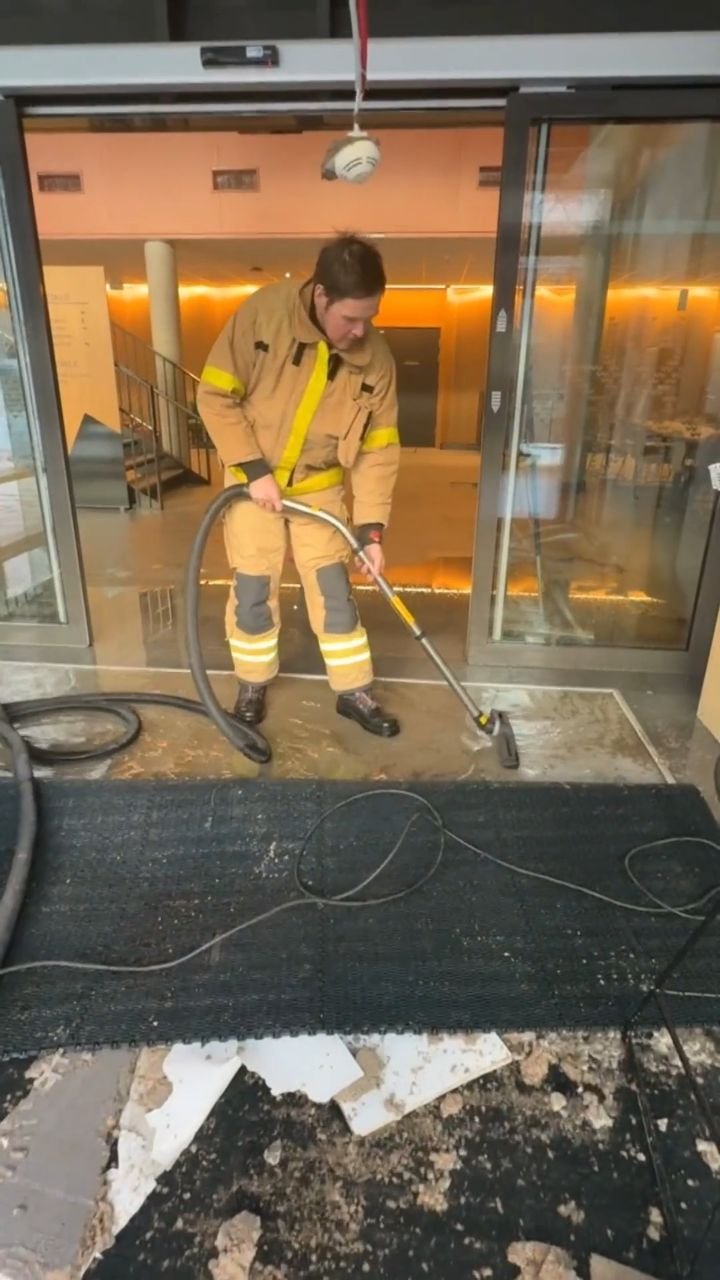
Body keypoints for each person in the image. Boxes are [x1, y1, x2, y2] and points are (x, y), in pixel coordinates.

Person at [197, 233, 401, 737]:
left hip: (319, 489)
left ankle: (353, 690)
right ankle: (252, 681)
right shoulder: (262, 317)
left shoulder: (377, 359)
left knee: (334, 592)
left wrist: (371, 531)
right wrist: (254, 470)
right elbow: (215, 396)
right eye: (350, 318)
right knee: (252, 588)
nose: (360, 330)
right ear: (321, 295)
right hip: (252, 487)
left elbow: (378, 449)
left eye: (369, 317)